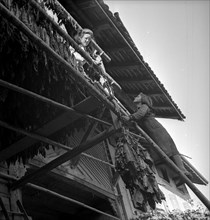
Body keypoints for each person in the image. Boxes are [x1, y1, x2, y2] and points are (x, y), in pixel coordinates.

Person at [122, 92, 192, 184]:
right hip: (154, 131)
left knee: (168, 150)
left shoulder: (144, 106)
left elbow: (140, 115)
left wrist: (130, 117)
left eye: (138, 96)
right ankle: (182, 173)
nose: (136, 97)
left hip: (156, 130)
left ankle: (183, 172)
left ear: (143, 99)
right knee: (166, 152)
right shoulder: (140, 109)